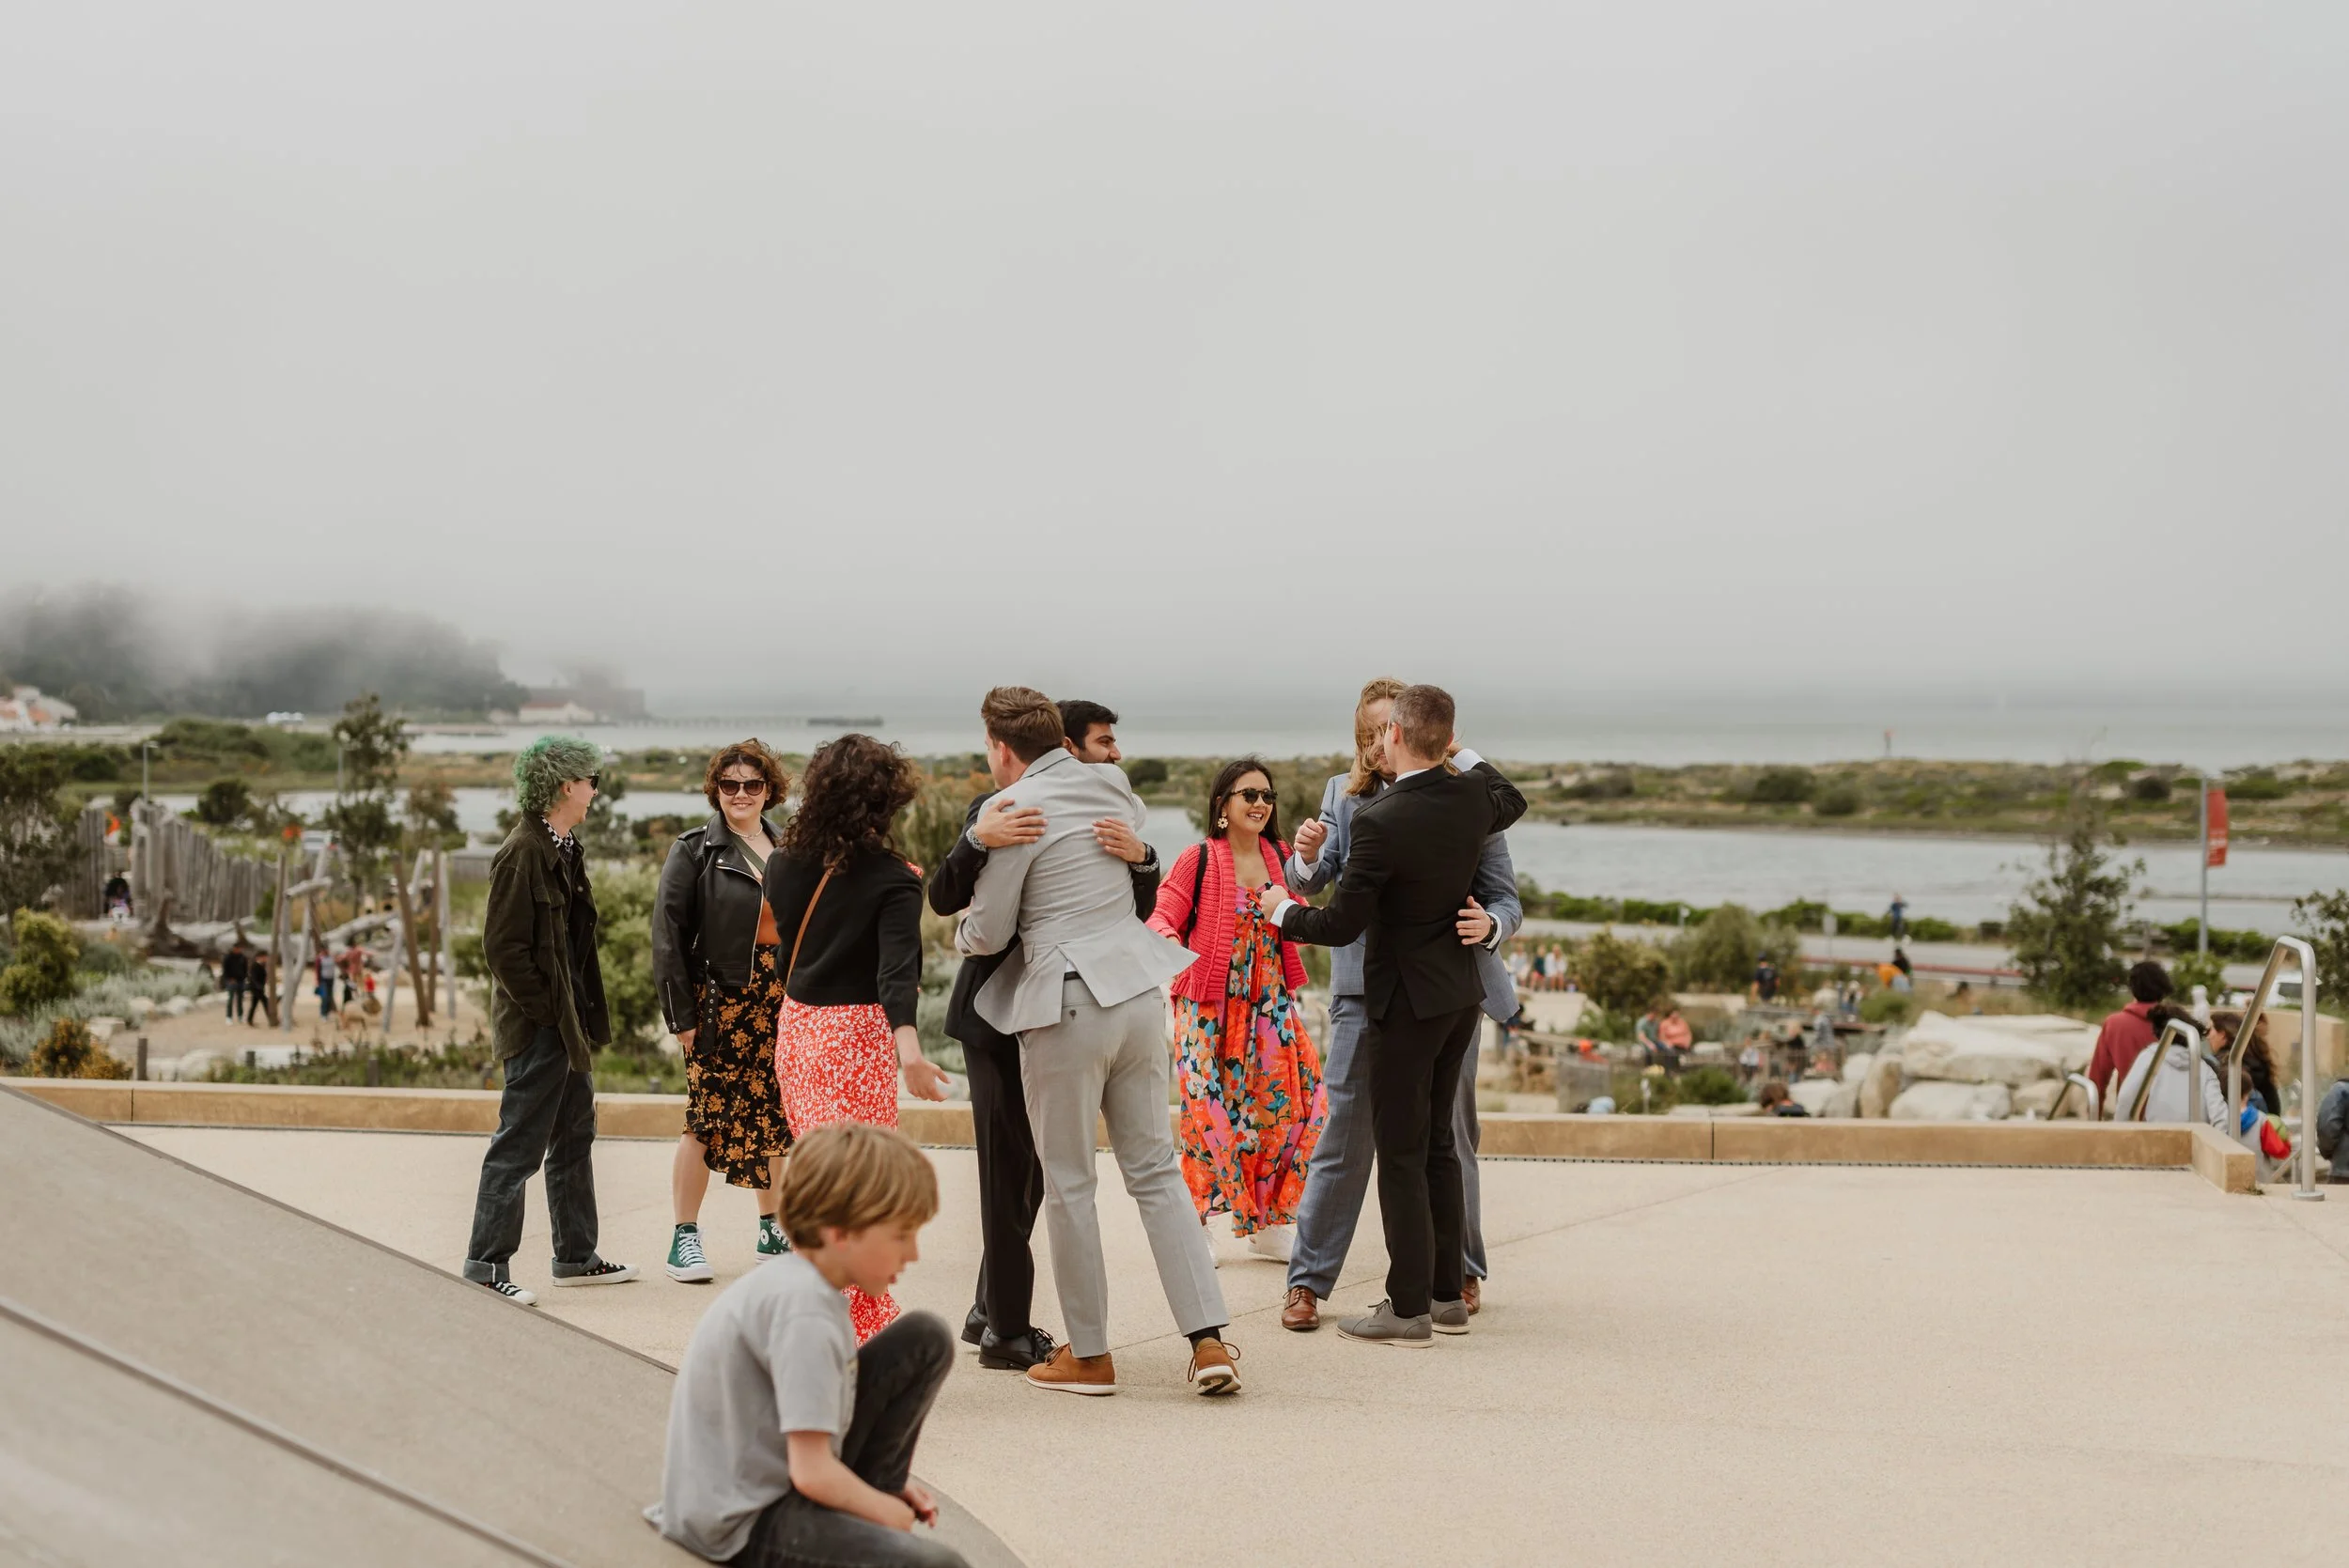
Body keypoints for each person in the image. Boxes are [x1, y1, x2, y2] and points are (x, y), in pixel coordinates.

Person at [953, 686, 1236, 1396]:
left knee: (1070, 1183)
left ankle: (1090, 1355)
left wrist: (959, 932)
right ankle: (1209, 1343)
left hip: (1066, 1000)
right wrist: (1139, 854)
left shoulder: (1010, 808)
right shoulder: (1111, 783)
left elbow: (986, 931)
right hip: (1140, 995)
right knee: (1157, 1173)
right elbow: (1129, 844)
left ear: (1001, 746)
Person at [1260, 683, 1527, 1348]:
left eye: (1392, 729)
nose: (1381, 742)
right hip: (1412, 994)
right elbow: (1313, 878)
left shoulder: (1411, 811)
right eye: (1371, 731)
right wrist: (1304, 858)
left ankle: (1434, 1288)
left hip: (1417, 993)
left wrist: (1278, 912)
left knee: (1428, 1144)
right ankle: (1327, 1281)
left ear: (1402, 734)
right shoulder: (1388, 798)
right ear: (1363, 738)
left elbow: (1341, 913)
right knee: (1365, 1139)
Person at [925, 697, 1160, 1373]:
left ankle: (987, 1308)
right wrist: (977, 841)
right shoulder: (1004, 806)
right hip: (999, 1012)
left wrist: (1142, 857)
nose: (1110, 755)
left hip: (1063, 1007)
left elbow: (1131, 910)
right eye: (1101, 743)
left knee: (1029, 1177)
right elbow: (945, 896)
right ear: (1064, 743)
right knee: (1011, 1173)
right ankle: (1005, 1328)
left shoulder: (1101, 809)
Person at [646, 1122, 965, 1568]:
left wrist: (876, 1492)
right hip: (742, 1522)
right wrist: (883, 1511)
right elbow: (812, 1471)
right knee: (940, 1565)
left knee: (925, 1337)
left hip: (770, 1484)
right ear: (840, 1232)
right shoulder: (805, 1310)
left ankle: (859, 1504)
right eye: (900, 1235)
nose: (913, 1254)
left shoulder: (811, 1284)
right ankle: (859, 1515)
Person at [765, 734, 951, 1343]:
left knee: (819, 1176)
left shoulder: (782, 863)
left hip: (797, 1028)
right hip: (856, 1038)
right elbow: (898, 975)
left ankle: (819, 1314)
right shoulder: (895, 879)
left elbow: (778, 949)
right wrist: (912, 1054)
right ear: (884, 801)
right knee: (861, 1184)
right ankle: (843, 1325)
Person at [463, 736, 634, 1304]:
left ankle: (575, 1258)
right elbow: (502, 948)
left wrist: (575, 1019)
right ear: (567, 785)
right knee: (518, 1146)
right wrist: (544, 1015)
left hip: (568, 1026)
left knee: (573, 1138)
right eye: (590, 780)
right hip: (540, 1028)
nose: (595, 790)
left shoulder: (564, 847)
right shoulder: (522, 852)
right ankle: (486, 1267)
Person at [1149, 757, 1326, 1264]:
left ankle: (1267, 1222)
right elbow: (1165, 910)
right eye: (1248, 794)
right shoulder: (1199, 858)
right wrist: (1166, 945)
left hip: (1270, 1007)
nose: (1260, 804)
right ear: (1223, 804)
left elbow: (1304, 911)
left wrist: (1311, 868)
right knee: (1208, 1114)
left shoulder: (1280, 855)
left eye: (1267, 796)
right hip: (1207, 1009)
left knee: (1296, 1105)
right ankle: (1196, 1222)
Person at [652, 740, 800, 1284]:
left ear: (769, 791)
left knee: (775, 1117)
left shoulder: (789, 847)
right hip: (719, 1001)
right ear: (716, 789)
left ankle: (771, 1227)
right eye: (730, 784)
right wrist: (681, 1016)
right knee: (705, 1119)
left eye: (752, 785)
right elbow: (667, 937)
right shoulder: (694, 850)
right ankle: (683, 1240)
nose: (741, 794)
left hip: (779, 1000)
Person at [2113, 1004, 2225, 1126]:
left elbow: (2126, 1098)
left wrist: (2120, 1130)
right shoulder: (2203, 1068)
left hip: (2158, 1136)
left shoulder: (2150, 1057)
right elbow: (2221, 1117)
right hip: (2195, 1139)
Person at [2087, 961, 2172, 1110]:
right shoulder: (2176, 1024)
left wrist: (2095, 1115)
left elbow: (2098, 1077)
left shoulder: (2114, 1024)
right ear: (2163, 990)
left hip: (2131, 1112)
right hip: (2175, 1115)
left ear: (2132, 988)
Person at [221, 938, 250, 1022]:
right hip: (231, 981)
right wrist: (229, 979)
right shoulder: (228, 958)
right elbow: (225, 970)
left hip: (241, 980)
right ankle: (229, 1017)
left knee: (240, 999)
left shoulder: (242, 958)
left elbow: (245, 969)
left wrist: (245, 978)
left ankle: (240, 1016)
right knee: (230, 999)